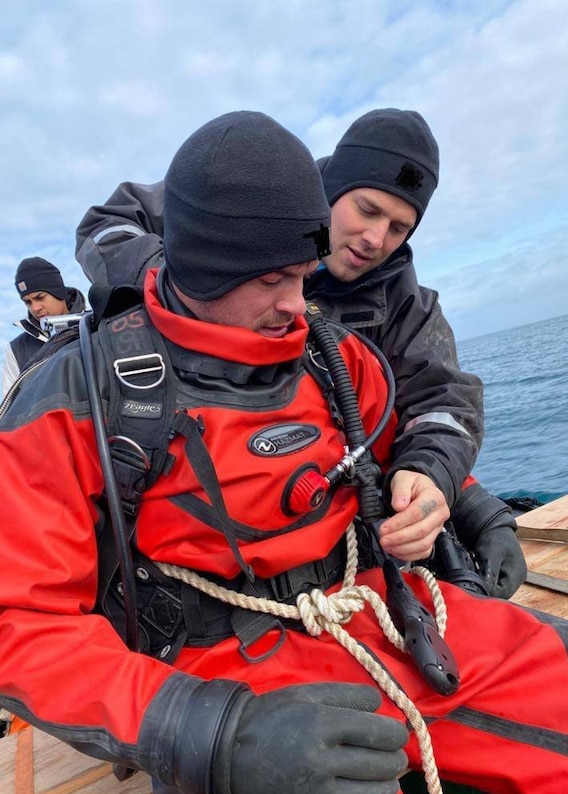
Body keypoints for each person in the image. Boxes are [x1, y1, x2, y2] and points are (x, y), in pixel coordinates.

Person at [0, 110, 568, 794]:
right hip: (219, 685)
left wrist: (466, 502)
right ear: (203, 262)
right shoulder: (72, 405)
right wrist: (218, 738)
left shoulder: (336, 356)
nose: (298, 302)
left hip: (386, 618)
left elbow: (383, 448)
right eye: (271, 280)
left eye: (302, 273)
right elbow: (22, 624)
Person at [74, 109, 525, 599]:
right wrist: (190, 275)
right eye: (367, 210)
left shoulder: (405, 303)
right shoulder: (252, 193)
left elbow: (438, 405)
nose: (376, 240)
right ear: (330, 188)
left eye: (399, 228)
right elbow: (106, 224)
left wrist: (464, 499)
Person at [2, 256, 86, 397]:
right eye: (28, 302)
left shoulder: (95, 327)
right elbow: (8, 408)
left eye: (40, 298)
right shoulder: (16, 349)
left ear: (58, 292)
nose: (35, 308)